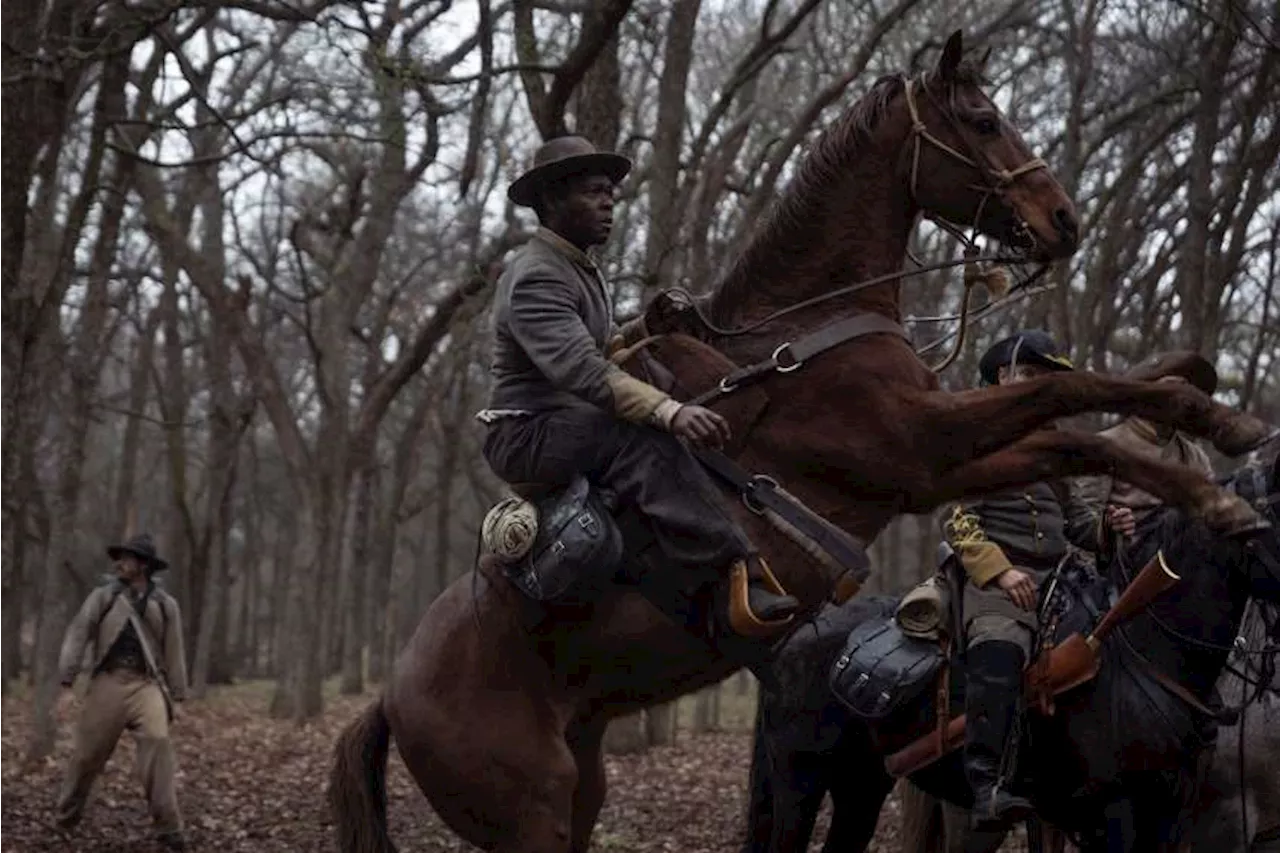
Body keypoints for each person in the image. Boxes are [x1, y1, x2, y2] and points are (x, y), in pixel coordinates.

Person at [476, 134, 799, 638]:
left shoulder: (577, 267)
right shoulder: (536, 276)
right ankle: (734, 575)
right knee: (641, 438)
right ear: (552, 200)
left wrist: (647, 329)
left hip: (564, 423)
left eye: (611, 192)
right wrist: (669, 412)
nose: (609, 202)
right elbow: (582, 370)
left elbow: (598, 348)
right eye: (593, 192)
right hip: (525, 434)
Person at [943, 329, 1123, 836]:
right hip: (1000, 581)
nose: (1039, 388)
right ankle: (986, 784)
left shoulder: (1054, 446)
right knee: (1000, 646)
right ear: (1005, 377)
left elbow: (1078, 524)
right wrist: (1000, 570)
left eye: (1047, 381)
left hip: (1062, 576)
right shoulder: (978, 438)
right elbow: (957, 519)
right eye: (1031, 376)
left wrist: (1109, 528)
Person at [55, 533, 188, 851]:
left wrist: (178, 696)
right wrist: (66, 680)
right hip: (108, 682)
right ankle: (65, 819)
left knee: (158, 740)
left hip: (146, 684)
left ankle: (169, 828)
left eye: (127, 558)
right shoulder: (103, 597)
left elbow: (174, 650)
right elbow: (78, 633)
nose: (120, 563)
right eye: (120, 558)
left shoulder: (165, 605)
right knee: (87, 755)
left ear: (143, 565)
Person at [1073, 350, 1218, 562]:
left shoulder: (1196, 457)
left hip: (1186, 570)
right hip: (1124, 571)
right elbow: (1084, 523)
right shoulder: (1104, 447)